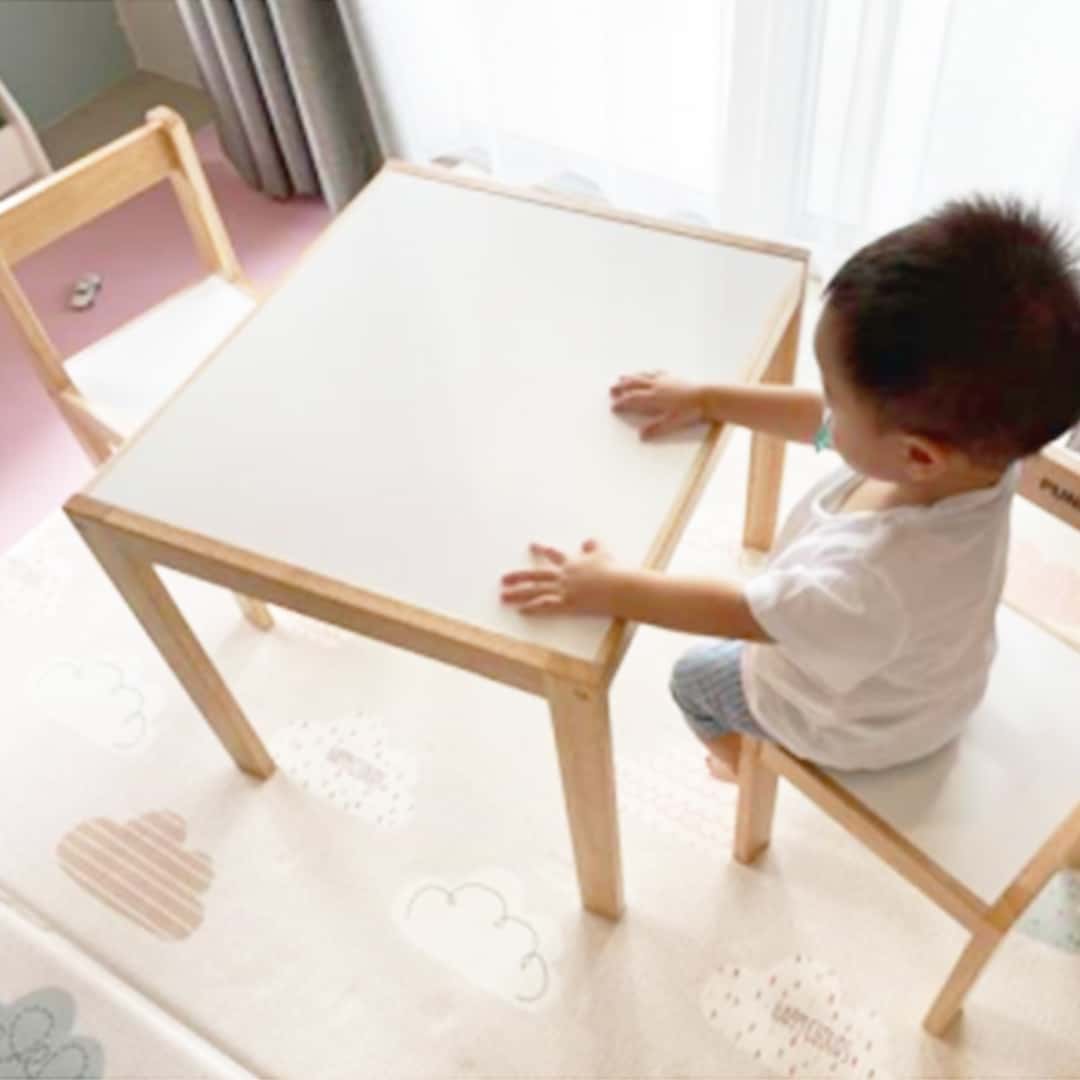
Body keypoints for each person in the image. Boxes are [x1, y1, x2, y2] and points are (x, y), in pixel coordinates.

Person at [501, 197, 1080, 776]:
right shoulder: (984, 459)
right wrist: (708, 399)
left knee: (691, 679)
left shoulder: (871, 581)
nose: (824, 408)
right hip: (936, 682)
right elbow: (822, 425)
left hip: (857, 726)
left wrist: (607, 588)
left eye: (835, 396)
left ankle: (739, 767)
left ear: (919, 455)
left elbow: (738, 613)